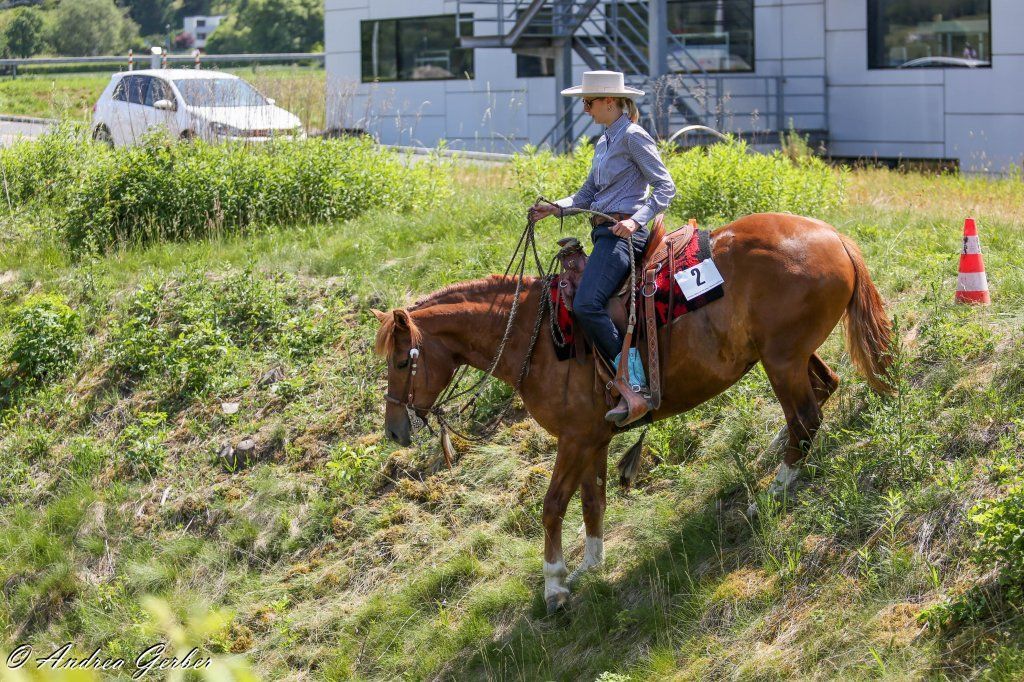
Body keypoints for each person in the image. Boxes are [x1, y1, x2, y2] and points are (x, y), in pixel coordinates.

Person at [529, 70, 676, 425]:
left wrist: (635, 221)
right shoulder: (605, 141)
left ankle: (634, 384)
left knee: (586, 303)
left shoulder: (634, 137)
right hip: (605, 232)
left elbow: (666, 187)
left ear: (610, 102)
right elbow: (586, 196)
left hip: (624, 233)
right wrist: (556, 208)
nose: (585, 109)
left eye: (589, 102)